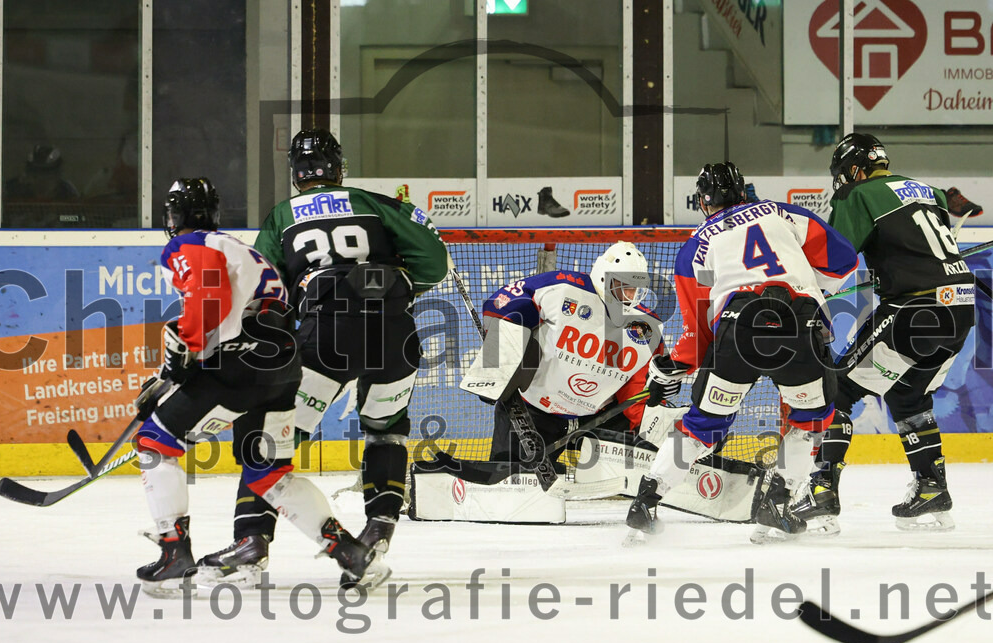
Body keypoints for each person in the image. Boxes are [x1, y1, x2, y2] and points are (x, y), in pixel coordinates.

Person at [195, 130, 449, 581]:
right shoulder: (375, 202)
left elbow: (264, 290)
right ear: (339, 168)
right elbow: (433, 260)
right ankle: (377, 531)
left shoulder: (281, 217)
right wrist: (394, 285)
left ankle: (252, 540)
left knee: (267, 440)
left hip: (328, 333)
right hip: (396, 334)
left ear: (295, 175)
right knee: (386, 431)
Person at [135, 177, 389, 595]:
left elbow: (208, 297)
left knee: (153, 443)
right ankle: (350, 553)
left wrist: (184, 357)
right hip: (283, 365)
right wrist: (174, 372)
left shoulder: (186, 245)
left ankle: (173, 555)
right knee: (269, 475)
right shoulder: (244, 249)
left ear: (175, 216)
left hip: (240, 360)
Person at [627, 162, 859, 543]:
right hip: (799, 324)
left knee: (703, 425)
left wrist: (670, 371)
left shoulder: (696, 245)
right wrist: (812, 283)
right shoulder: (783, 212)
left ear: (703, 201)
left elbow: (697, 332)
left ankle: (647, 501)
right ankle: (777, 503)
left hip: (737, 330)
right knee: (811, 420)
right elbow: (844, 260)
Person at [792, 133, 976, 533]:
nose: (842, 181)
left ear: (855, 169)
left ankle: (822, 491)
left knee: (837, 390)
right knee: (908, 395)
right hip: (960, 309)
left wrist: (801, 288)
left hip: (916, 308)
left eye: (843, 173)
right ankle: (931, 489)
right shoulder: (929, 192)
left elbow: (835, 260)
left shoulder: (858, 194)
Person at [459, 241, 672, 468]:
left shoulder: (647, 327)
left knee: (625, 475)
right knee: (513, 484)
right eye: (622, 285)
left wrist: (652, 429)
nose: (628, 294)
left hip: (596, 421)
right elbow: (501, 303)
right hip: (532, 412)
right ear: (603, 275)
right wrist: (494, 365)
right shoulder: (563, 289)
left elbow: (640, 387)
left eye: (634, 288)